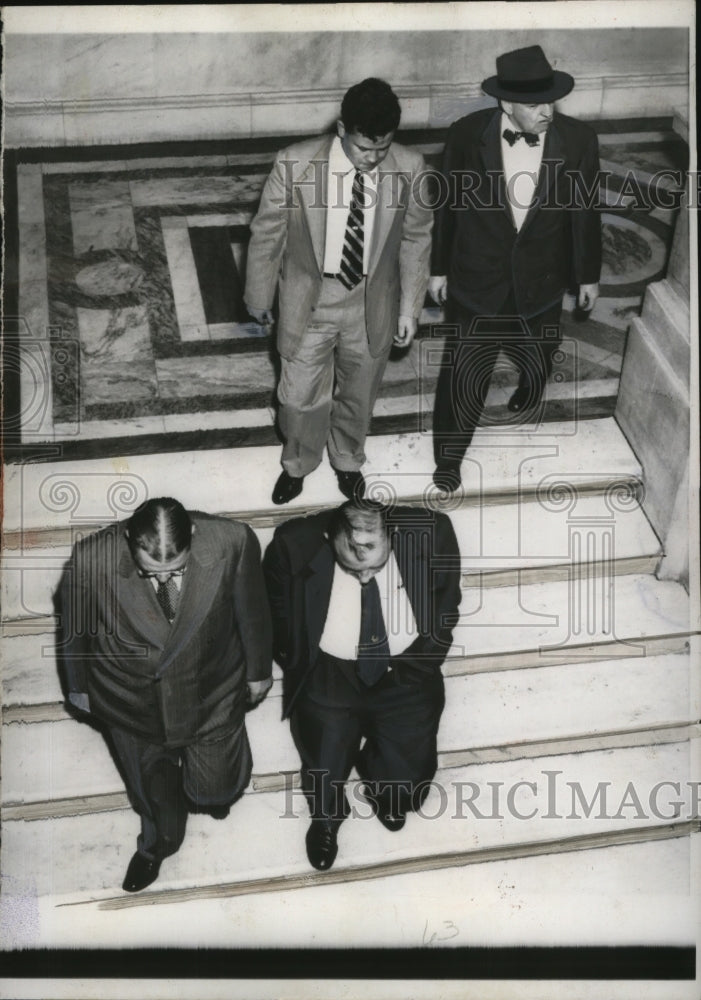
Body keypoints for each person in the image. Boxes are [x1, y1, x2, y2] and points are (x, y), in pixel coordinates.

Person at [58, 498, 272, 893]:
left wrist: (259, 671)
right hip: (131, 699)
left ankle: (207, 788)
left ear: (193, 534)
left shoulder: (233, 541)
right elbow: (75, 630)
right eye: (149, 571)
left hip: (211, 688)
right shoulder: (91, 558)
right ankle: (156, 846)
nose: (161, 580)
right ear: (128, 539)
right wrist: (78, 687)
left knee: (215, 788)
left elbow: (252, 609)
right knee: (154, 799)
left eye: (175, 570)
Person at [245, 77, 433, 506]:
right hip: (310, 299)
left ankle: (348, 459)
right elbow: (267, 233)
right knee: (297, 398)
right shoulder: (294, 164)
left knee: (358, 392)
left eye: (382, 149)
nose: (372, 159)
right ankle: (299, 462)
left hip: (372, 299)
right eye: (364, 148)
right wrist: (257, 296)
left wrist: (410, 308)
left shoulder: (410, 168)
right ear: (342, 129)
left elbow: (416, 240)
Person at [429, 45, 602, 492]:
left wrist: (588, 275)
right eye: (533, 104)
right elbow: (448, 208)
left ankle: (530, 389)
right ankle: (448, 459)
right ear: (506, 104)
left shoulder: (579, 140)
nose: (545, 112)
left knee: (540, 354)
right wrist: (439, 269)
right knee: (465, 371)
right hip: (477, 276)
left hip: (543, 279)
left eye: (550, 101)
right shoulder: (466, 135)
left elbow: (585, 213)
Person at [263, 499, 461, 871]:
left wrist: (425, 657)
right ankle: (327, 818)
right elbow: (275, 607)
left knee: (410, 783)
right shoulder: (294, 542)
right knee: (323, 761)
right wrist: (296, 658)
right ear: (328, 538)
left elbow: (446, 599)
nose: (366, 578)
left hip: (406, 672)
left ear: (393, 535)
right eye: (351, 568)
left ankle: (383, 781)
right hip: (329, 675)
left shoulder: (432, 532)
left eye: (376, 566)